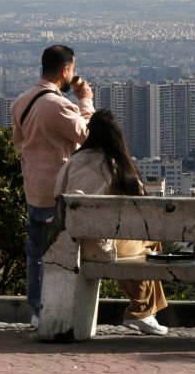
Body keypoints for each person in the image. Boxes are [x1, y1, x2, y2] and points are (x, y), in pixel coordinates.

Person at [54, 109, 169, 336]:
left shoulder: (73, 162)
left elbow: (57, 196)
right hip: (103, 247)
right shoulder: (117, 165)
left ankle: (145, 312)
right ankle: (141, 311)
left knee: (140, 244)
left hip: (72, 244)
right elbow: (140, 202)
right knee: (150, 243)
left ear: (90, 133)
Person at [11, 44, 94, 327]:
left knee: (35, 254)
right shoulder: (59, 105)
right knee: (61, 255)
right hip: (58, 192)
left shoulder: (21, 101)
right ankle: (59, 310)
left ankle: (38, 309)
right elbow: (88, 136)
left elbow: (19, 144)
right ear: (65, 70)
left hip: (33, 189)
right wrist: (86, 100)